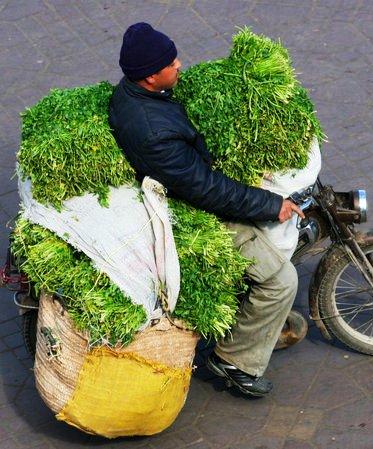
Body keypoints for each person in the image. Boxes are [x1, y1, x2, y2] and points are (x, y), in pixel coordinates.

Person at [109, 22, 308, 397]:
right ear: (152, 77)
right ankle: (235, 360)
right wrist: (270, 204)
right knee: (281, 282)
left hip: (188, 185)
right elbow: (205, 190)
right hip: (191, 211)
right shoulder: (152, 132)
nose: (180, 65)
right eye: (171, 63)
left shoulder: (143, 96)